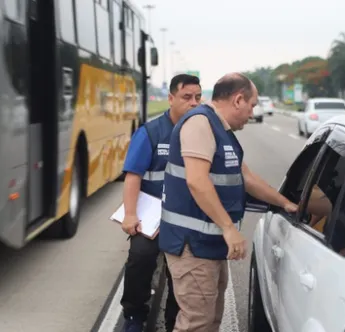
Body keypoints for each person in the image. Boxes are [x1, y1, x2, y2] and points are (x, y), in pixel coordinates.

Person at [158, 73, 298, 332]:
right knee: (196, 323)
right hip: (191, 244)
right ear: (238, 99)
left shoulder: (221, 130)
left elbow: (246, 178)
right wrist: (229, 229)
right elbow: (197, 182)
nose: (252, 112)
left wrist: (286, 203)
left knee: (209, 320)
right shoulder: (200, 124)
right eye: (252, 105)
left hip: (207, 245)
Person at [119, 74, 202, 332]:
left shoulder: (202, 132)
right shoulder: (151, 132)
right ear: (171, 98)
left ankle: (174, 321)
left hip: (186, 218)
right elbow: (133, 176)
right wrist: (130, 215)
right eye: (187, 97)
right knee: (140, 257)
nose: (193, 103)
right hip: (152, 216)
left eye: (198, 97)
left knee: (180, 271)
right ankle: (134, 315)